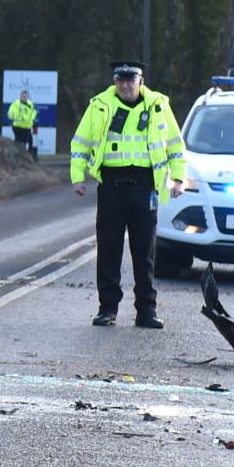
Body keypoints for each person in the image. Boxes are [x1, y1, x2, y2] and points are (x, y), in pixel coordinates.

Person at [69, 61, 186, 328]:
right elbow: (81, 142)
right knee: (109, 249)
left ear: (140, 81)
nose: (125, 85)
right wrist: (78, 177)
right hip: (111, 184)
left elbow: (175, 145)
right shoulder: (99, 105)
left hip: (146, 185)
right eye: (120, 80)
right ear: (114, 81)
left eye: (130, 80)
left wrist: (178, 178)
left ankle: (146, 311)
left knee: (144, 252)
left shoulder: (158, 106)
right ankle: (107, 309)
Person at [7, 90, 39, 159]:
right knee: (18, 141)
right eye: (23, 96)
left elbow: (33, 112)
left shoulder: (30, 103)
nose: (24, 98)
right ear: (20, 96)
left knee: (29, 141)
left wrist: (32, 117)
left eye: (26, 96)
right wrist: (21, 117)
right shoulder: (16, 104)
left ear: (28, 97)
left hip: (27, 127)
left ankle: (29, 156)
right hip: (18, 126)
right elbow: (11, 113)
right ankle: (17, 156)